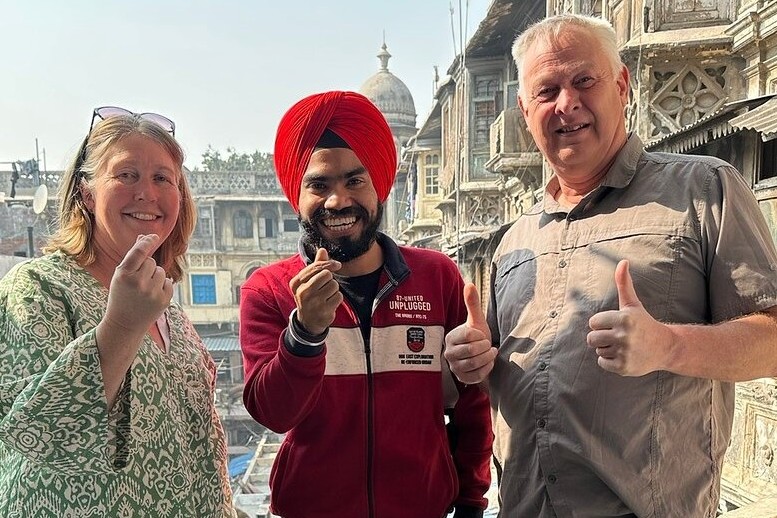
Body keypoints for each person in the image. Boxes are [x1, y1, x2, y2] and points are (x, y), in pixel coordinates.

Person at [444, 14, 777, 518]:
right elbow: (498, 378)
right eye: (546, 90)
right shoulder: (516, 238)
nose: (567, 103)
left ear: (621, 86)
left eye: (584, 81)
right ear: (524, 110)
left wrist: (669, 345)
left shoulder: (704, 190)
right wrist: (470, 360)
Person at [240, 90, 493, 518]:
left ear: (379, 187)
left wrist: (470, 502)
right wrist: (305, 334)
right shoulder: (269, 291)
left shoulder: (435, 277)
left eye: (355, 181)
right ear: (296, 196)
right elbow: (274, 414)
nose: (339, 200)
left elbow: (471, 406)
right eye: (319, 185)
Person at [0, 107, 234, 517]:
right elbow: (34, 432)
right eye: (127, 175)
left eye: (163, 178)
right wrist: (122, 327)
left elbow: (201, 446)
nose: (147, 193)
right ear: (88, 195)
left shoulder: (171, 315)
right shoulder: (39, 288)